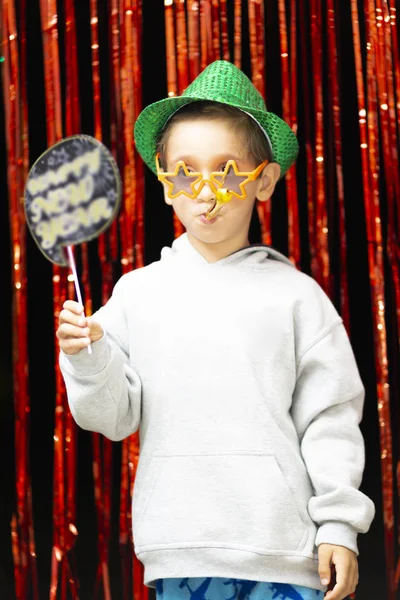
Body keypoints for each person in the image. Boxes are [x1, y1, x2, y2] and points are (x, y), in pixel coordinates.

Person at [57, 60, 375, 600]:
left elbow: (330, 420)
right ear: (164, 184)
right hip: (178, 547)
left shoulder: (298, 297)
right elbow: (110, 419)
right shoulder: (136, 295)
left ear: (265, 180)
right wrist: (89, 359)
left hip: (285, 552)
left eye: (227, 171)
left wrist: (339, 525)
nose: (204, 192)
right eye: (184, 171)